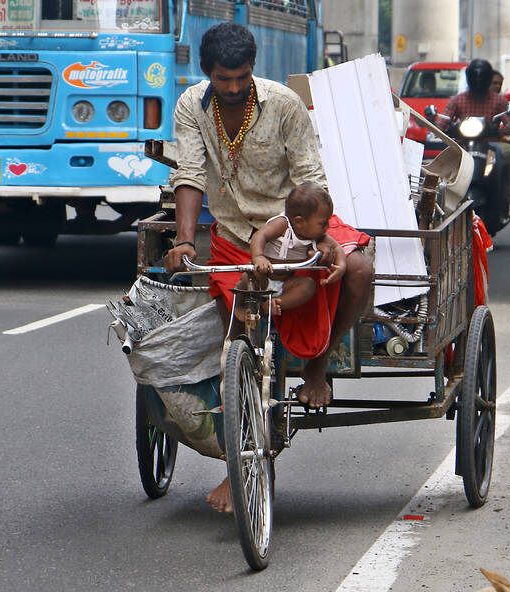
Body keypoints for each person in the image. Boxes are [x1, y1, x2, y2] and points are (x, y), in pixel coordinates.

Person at [164, 22, 372, 513]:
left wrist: (318, 242)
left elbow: (312, 180)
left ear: (253, 70)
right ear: (206, 73)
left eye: (241, 77)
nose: (233, 88)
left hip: (295, 225)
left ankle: (318, 367)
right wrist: (185, 240)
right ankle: (243, 470)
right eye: (223, 79)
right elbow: (190, 174)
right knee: (236, 347)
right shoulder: (191, 107)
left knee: (358, 269)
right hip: (236, 235)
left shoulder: (283, 104)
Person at [238, 182, 346, 317]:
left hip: (286, 283)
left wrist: (341, 266)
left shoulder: (317, 235)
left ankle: (273, 304)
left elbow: (337, 247)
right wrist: (259, 257)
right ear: (299, 222)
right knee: (248, 275)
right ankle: (238, 307)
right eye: (323, 223)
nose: (327, 227)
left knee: (308, 286)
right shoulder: (283, 224)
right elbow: (260, 235)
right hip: (264, 276)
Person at [437, 58, 510, 230]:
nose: (479, 81)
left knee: (501, 163)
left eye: (482, 78)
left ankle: (501, 201)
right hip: (463, 146)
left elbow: (509, 121)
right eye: (475, 77)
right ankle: (444, 208)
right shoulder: (459, 100)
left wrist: (507, 128)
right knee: (444, 174)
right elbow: (443, 119)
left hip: (490, 145)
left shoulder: (498, 100)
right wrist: (439, 126)